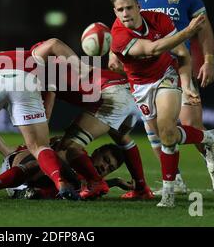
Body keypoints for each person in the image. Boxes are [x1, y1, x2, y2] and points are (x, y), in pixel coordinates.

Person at [108, 0, 214, 207]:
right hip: (140, 86)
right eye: (120, 9)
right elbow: (152, 49)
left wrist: (187, 83)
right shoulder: (118, 36)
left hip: (166, 75)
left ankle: (169, 194)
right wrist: (187, 32)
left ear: (138, 7)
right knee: (164, 137)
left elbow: (181, 52)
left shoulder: (159, 20)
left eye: (129, 7)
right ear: (115, 12)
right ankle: (208, 137)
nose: (125, 14)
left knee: (167, 128)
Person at [0, 38, 91, 200]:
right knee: (39, 146)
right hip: (23, 79)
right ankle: (60, 183)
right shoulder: (34, 63)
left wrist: (5, 150)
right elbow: (54, 43)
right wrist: (82, 68)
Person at [135, 0, 214, 196]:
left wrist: (209, 60)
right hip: (147, 73)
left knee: (190, 124)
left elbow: (204, 28)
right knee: (154, 129)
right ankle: (174, 179)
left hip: (178, 68)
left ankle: (211, 157)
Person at [51, 67, 153, 200]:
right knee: (121, 137)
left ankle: (95, 182)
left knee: (66, 148)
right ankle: (141, 188)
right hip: (132, 95)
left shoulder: (46, 77)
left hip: (114, 95)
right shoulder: (67, 67)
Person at [0, 138, 133, 200]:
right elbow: (50, 155)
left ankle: (29, 194)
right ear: (96, 152)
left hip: (32, 186)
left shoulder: (91, 181)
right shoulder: (76, 152)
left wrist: (116, 182)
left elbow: (85, 184)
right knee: (53, 162)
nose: (104, 167)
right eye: (105, 160)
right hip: (17, 166)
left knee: (74, 189)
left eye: (109, 167)